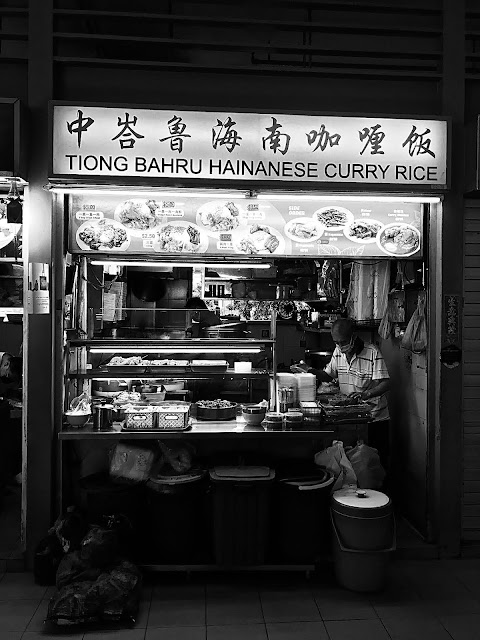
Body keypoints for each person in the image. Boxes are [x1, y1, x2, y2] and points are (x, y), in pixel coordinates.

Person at [291, 318, 391, 467]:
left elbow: (386, 383)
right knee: (355, 463)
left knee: (374, 465)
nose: (340, 346)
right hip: (353, 418)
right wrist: (308, 370)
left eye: (343, 342)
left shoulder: (372, 352)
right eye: (336, 342)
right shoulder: (338, 352)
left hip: (375, 419)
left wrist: (367, 394)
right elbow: (328, 375)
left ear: (353, 336)